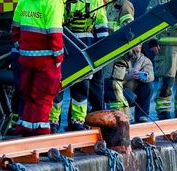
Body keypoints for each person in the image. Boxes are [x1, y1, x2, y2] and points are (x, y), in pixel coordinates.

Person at [52, 0, 109, 132]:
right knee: (64, 88)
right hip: (81, 47)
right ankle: (67, 122)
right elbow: (102, 28)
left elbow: (102, 27)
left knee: (76, 88)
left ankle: (63, 122)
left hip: (68, 45)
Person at [11, 0, 65, 136]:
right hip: (46, 58)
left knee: (29, 94)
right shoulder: (53, 3)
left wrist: (21, 47)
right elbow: (55, 32)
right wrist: (58, 57)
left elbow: (15, 27)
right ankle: (41, 132)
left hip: (26, 56)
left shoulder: (23, 2)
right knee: (44, 96)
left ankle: (26, 127)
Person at [149, 0, 177, 119]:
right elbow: (150, 17)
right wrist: (152, 40)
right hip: (167, 46)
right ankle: (163, 109)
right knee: (167, 79)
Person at [113, 45, 154, 121]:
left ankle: (142, 116)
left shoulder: (145, 60)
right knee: (115, 89)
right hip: (123, 92)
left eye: (140, 44)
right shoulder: (120, 59)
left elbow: (150, 76)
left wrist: (142, 76)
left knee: (149, 87)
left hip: (135, 93)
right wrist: (129, 76)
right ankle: (120, 115)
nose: (140, 45)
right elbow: (115, 78)